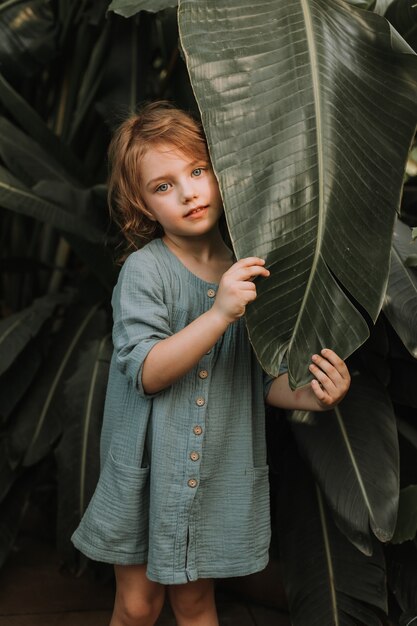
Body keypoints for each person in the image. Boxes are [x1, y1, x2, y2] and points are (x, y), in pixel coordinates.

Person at [71, 101, 351, 626]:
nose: (187, 192)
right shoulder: (143, 271)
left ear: (222, 172)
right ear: (144, 207)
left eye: (198, 171)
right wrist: (220, 313)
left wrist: (313, 393)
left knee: (197, 604)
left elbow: (260, 379)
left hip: (212, 474)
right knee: (137, 605)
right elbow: (148, 372)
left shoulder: (252, 269)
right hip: (147, 474)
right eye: (163, 186)